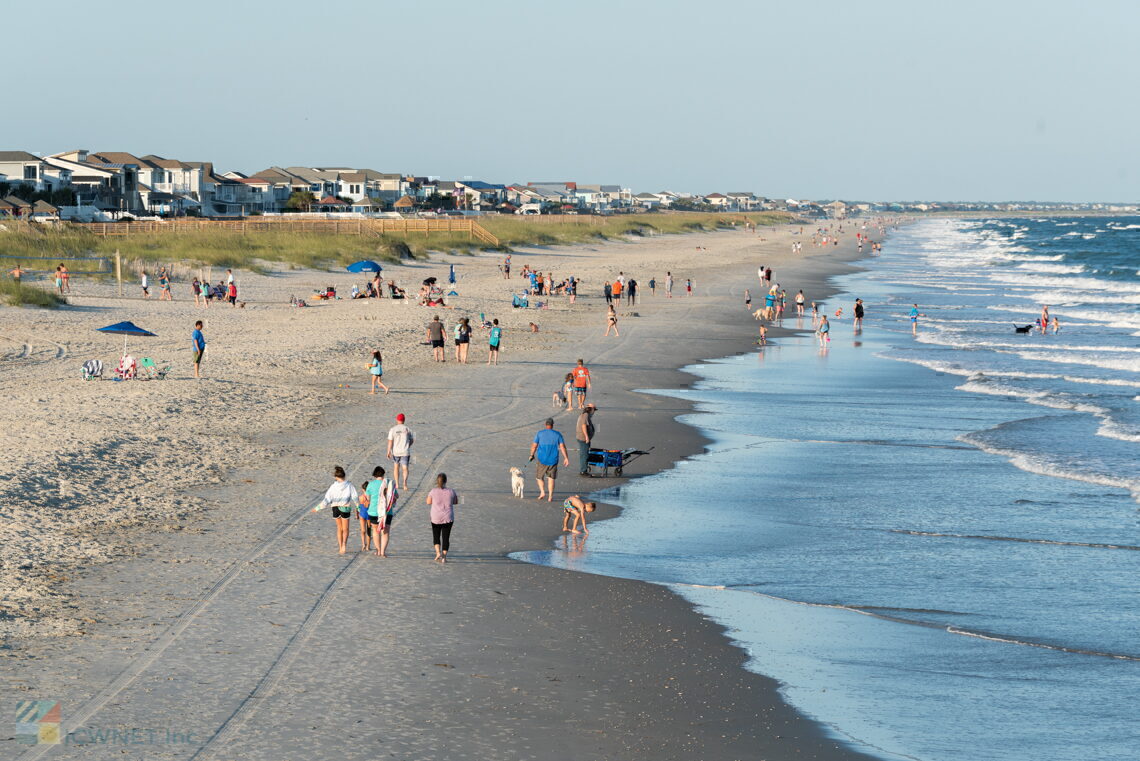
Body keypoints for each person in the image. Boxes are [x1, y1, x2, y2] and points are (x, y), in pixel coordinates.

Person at [316, 465, 359, 554]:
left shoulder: (333, 486)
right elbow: (355, 497)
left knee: (339, 528)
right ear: (344, 476)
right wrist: (358, 507)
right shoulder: (349, 485)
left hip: (335, 508)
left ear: (336, 477)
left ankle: (340, 547)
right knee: (346, 529)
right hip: (345, 507)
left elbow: (327, 499)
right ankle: (344, 545)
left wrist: (318, 508)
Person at [530, 418, 570, 502]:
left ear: (545, 424)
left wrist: (531, 455)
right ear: (552, 425)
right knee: (551, 478)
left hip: (542, 459)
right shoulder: (557, 434)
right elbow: (562, 446)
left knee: (539, 477)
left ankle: (542, 492)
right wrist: (566, 458)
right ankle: (550, 496)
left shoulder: (539, 433)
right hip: (553, 460)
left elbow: (534, 446)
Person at [366, 466, 398, 557]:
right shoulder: (389, 483)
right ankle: (383, 552)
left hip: (374, 511)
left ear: (375, 475)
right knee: (385, 531)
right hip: (387, 511)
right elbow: (396, 496)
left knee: (376, 531)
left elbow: (368, 498)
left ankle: (378, 550)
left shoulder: (371, 484)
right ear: (383, 474)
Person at [426, 473, 458, 563]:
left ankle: (437, 553)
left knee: (436, 535)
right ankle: (444, 557)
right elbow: (455, 502)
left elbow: (428, 502)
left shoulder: (433, 491)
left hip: (435, 516)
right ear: (446, 481)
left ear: (437, 481)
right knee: (446, 537)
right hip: (448, 517)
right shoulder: (451, 491)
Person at [386, 413, 414, 490]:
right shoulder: (407, 429)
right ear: (404, 420)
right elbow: (412, 440)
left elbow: (390, 441)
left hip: (396, 452)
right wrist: (408, 445)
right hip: (405, 451)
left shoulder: (393, 429)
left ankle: (397, 484)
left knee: (396, 467)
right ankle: (405, 484)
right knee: (405, 468)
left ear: (397, 420)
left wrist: (388, 451)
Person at [576, 403, 596, 476]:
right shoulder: (585, 415)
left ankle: (584, 469)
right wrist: (587, 436)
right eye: (594, 410)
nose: (594, 412)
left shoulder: (585, 415)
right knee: (584, 455)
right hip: (583, 438)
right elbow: (583, 425)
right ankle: (583, 471)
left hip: (582, 438)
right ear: (591, 410)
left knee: (584, 454)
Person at [357, 480, 373, 552]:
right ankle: (368, 546)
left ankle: (363, 544)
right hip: (369, 515)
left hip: (362, 514)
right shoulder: (371, 498)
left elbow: (358, 507)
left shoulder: (361, 497)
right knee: (369, 531)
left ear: (362, 489)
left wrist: (357, 514)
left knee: (363, 530)